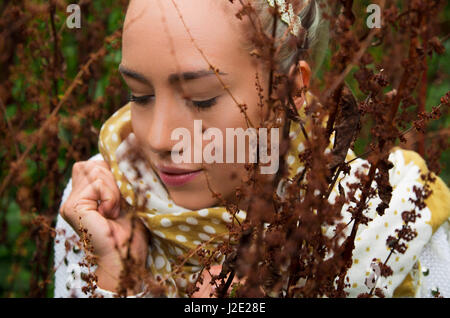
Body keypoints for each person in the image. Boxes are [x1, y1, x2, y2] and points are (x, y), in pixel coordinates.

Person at [54, 0, 450, 298]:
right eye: (139, 95)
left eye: (202, 99)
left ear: (291, 91)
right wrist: (111, 279)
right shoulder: (100, 205)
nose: (158, 139)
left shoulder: (388, 226)